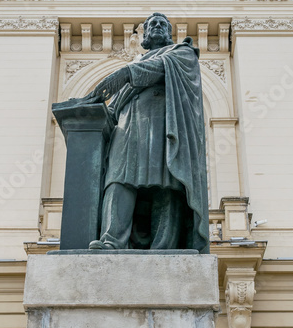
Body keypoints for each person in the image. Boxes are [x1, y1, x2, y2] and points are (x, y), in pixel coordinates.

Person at [84, 13, 209, 252]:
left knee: (168, 183)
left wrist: (124, 74)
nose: (158, 26)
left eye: (163, 24)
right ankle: (111, 240)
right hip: (129, 127)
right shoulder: (139, 63)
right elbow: (115, 106)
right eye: (153, 24)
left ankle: (165, 247)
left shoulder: (182, 52)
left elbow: (158, 67)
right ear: (145, 35)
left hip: (166, 127)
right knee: (118, 178)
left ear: (169, 32)